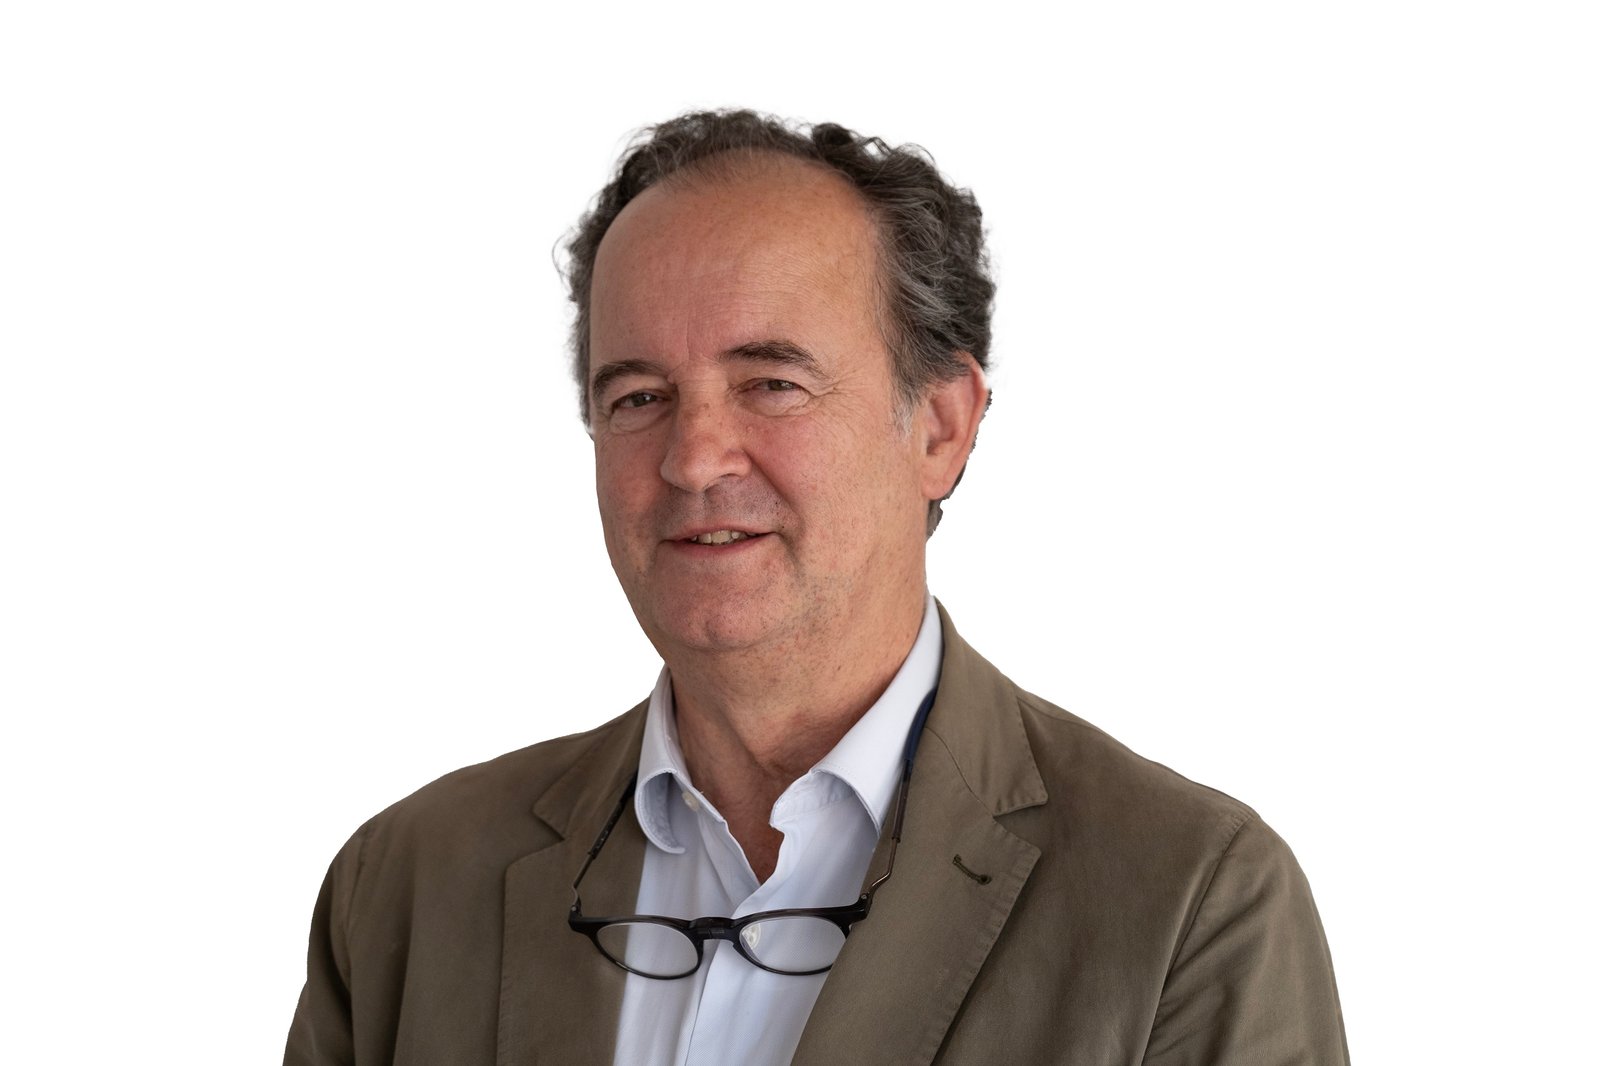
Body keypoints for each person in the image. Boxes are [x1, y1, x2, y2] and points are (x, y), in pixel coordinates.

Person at [284, 110, 1348, 1065]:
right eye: (639, 396)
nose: (694, 458)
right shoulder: (404, 889)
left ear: (940, 428)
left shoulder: (1189, 904)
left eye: (771, 383)